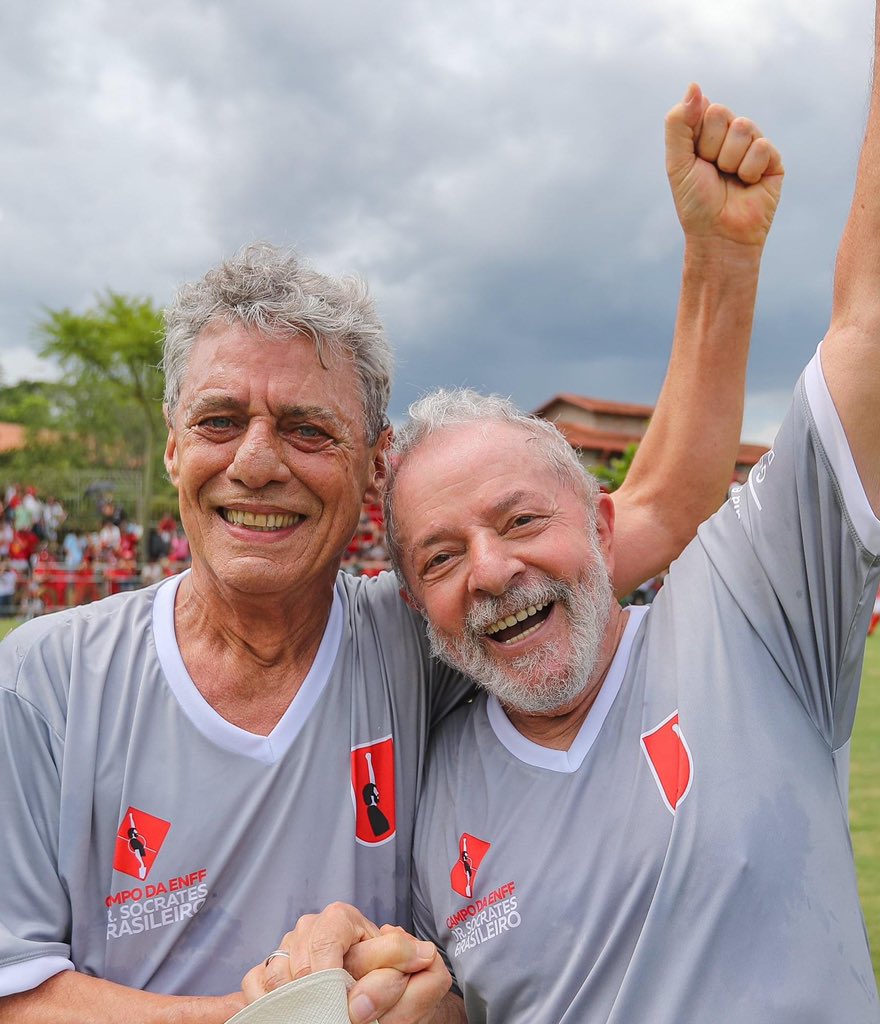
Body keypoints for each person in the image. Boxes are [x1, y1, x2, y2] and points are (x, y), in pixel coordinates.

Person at [0, 83, 779, 1024]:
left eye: (305, 429)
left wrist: (720, 259)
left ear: (373, 473)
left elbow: (656, 505)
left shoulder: (420, 628)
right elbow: (21, 994)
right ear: (172, 446)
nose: (256, 462)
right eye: (219, 420)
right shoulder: (41, 682)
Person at [365, 62, 880, 1023]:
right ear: (411, 603)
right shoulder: (435, 802)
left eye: (522, 520)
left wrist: (721, 260)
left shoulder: (749, 612)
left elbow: (869, 329)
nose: (490, 571)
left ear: (604, 526)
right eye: (439, 557)